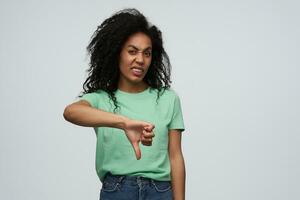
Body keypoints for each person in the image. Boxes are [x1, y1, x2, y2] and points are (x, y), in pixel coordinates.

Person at [63, 8, 186, 200]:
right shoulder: (101, 98)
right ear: (116, 52)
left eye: (147, 53)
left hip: (160, 191)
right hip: (118, 190)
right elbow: (71, 112)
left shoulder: (168, 98)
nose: (140, 60)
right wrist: (124, 123)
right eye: (132, 51)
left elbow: (176, 157)